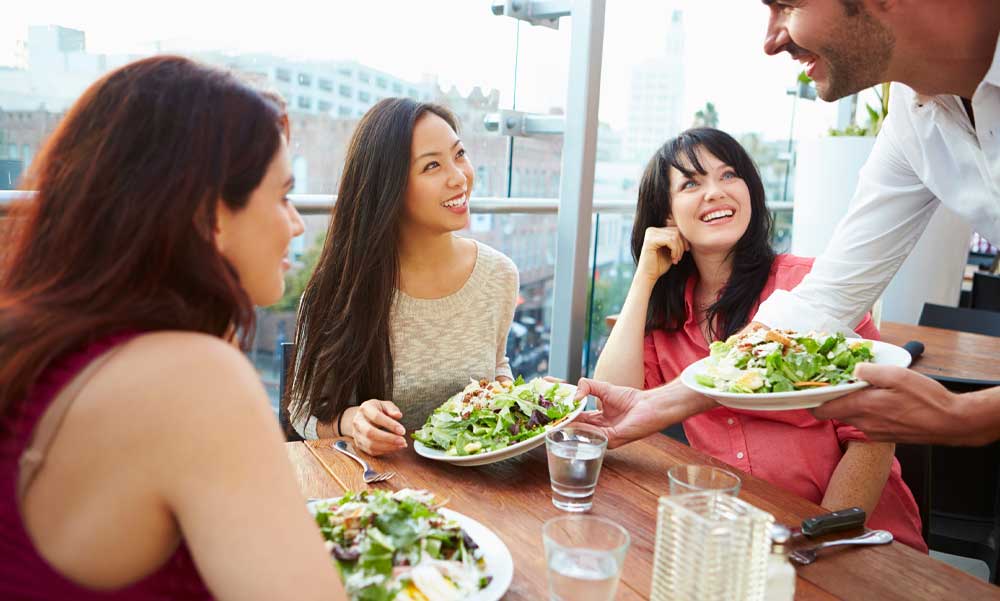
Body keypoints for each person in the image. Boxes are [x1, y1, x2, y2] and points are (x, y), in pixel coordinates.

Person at [0, 56, 347, 599]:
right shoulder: (194, 379)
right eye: (282, 196)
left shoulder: (35, 340)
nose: (298, 223)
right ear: (209, 217)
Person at [590, 128, 924, 549]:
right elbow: (616, 403)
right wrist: (645, 277)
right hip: (739, 537)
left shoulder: (811, 289)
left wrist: (819, 540)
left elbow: (872, 437)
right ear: (668, 216)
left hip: (851, 535)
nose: (715, 192)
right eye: (691, 183)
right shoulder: (668, 317)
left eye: (729, 175)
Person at [748, 1, 1000, 444]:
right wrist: (668, 399)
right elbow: (830, 295)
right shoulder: (913, 116)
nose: (771, 41)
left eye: (786, 5)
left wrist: (969, 416)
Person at [288, 98, 519, 456]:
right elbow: (303, 411)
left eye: (459, 154)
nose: (459, 177)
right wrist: (353, 421)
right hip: (382, 490)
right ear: (389, 186)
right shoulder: (337, 291)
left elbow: (496, 362)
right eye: (432, 166)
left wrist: (511, 393)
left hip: (483, 487)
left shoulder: (499, 275)